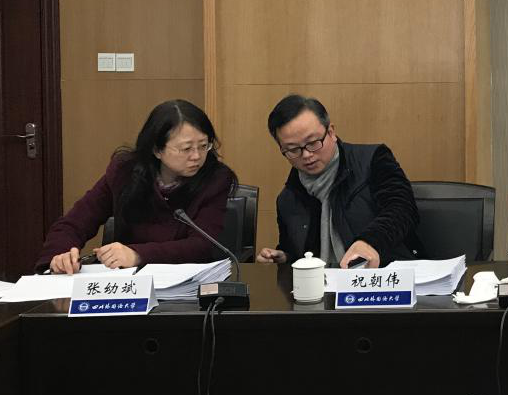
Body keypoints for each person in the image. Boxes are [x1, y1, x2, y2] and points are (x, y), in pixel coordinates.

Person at [35, 100, 237, 274]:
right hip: (127, 283)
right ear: (157, 150)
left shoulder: (215, 178)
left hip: (186, 283)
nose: (197, 156)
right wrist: (60, 255)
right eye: (186, 148)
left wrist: (138, 255)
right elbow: (75, 222)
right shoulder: (125, 172)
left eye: (203, 145)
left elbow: (201, 246)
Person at [258, 95, 424, 268]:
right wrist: (284, 258)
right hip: (322, 282)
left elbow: (403, 209)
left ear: (331, 132)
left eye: (313, 142)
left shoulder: (373, 160)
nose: (306, 155)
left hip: (383, 274)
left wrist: (369, 242)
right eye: (293, 149)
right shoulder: (288, 198)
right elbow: (297, 250)